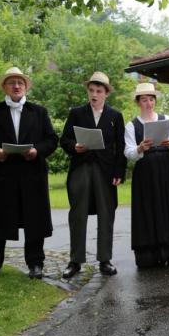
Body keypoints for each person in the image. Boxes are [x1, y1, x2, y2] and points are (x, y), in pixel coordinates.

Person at [0, 67, 58, 279]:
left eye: (20, 82)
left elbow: (51, 140)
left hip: (32, 174)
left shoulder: (39, 111)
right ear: (5, 87)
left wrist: (37, 150)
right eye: (12, 83)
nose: (16, 86)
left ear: (26, 86)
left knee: (34, 220)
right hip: (1, 175)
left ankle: (36, 264)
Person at [59, 72, 127, 278]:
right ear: (88, 92)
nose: (94, 94)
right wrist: (75, 146)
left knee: (107, 214)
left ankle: (105, 260)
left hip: (106, 171)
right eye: (91, 90)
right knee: (77, 214)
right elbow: (64, 140)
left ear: (106, 93)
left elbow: (120, 146)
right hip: (81, 167)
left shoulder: (115, 116)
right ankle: (75, 261)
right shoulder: (77, 113)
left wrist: (119, 172)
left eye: (99, 91)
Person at [124, 82, 169, 268]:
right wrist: (140, 148)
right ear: (138, 102)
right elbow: (129, 152)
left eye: (151, 99)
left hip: (166, 169)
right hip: (145, 172)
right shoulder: (131, 126)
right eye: (144, 100)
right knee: (149, 210)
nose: (149, 103)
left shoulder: (167, 119)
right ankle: (151, 255)